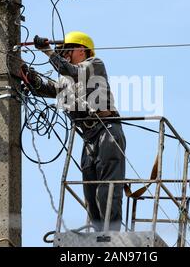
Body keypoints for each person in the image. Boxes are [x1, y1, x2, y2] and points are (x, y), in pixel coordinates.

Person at [27, 31, 126, 232]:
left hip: (107, 130)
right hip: (88, 137)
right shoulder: (67, 79)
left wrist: (47, 51)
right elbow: (48, 88)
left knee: (107, 189)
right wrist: (26, 75)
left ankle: (112, 234)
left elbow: (69, 70)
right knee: (90, 191)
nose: (64, 54)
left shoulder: (94, 64)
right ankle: (100, 234)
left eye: (67, 50)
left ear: (81, 50)